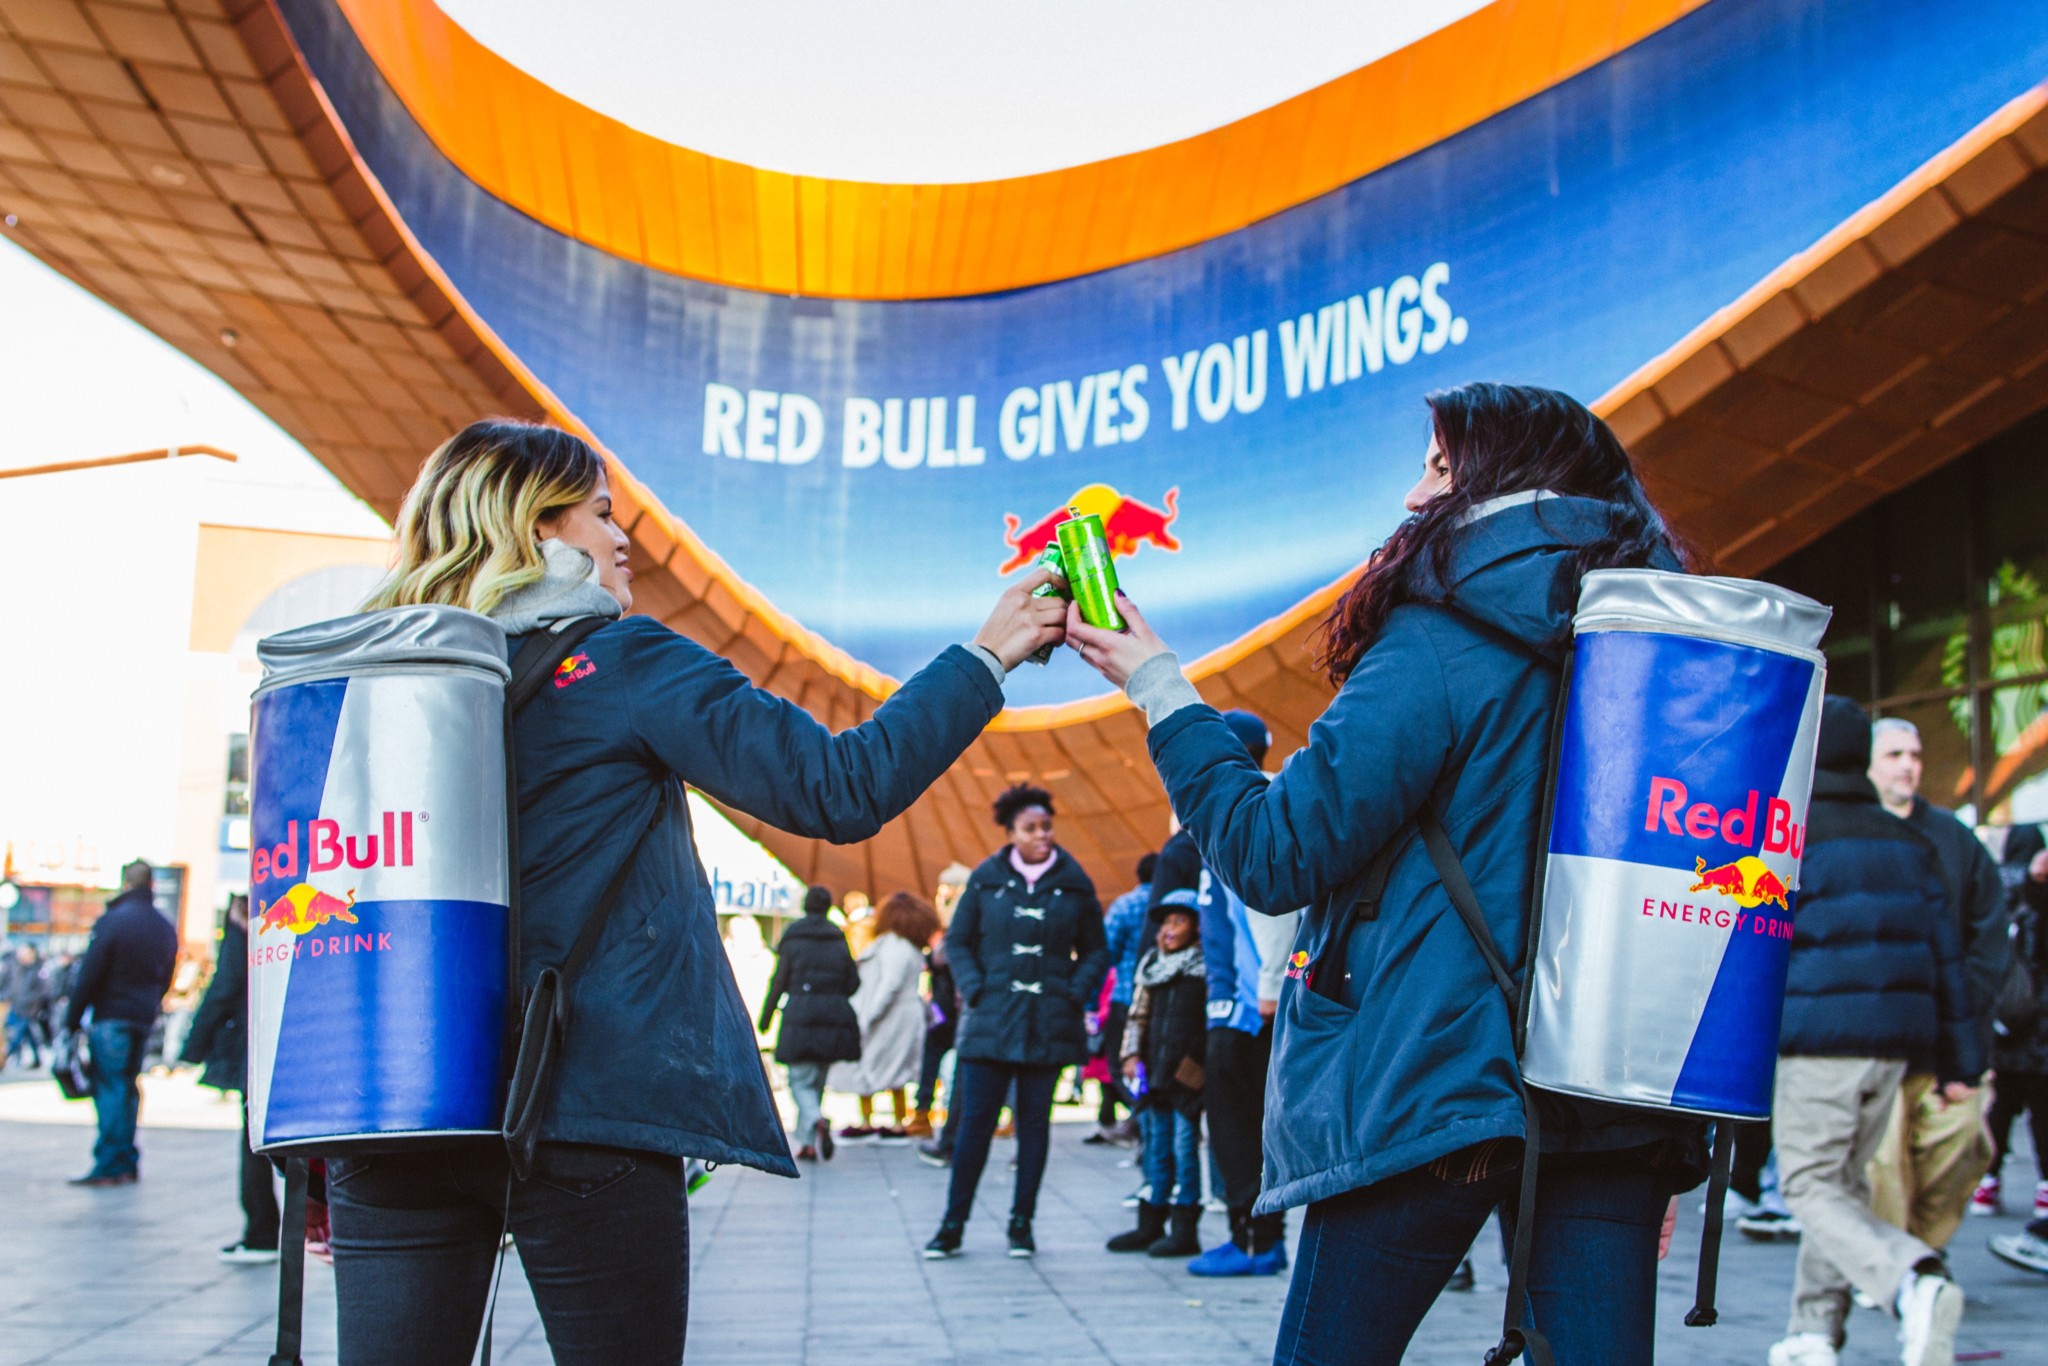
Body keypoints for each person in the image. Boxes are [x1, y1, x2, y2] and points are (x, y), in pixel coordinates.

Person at [327, 419, 1067, 1363]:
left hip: (395, 1110)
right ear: (536, 531)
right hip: (583, 1107)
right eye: (601, 514)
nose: (622, 538)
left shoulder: (367, 681)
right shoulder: (622, 661)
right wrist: (987, 655)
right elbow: (837, 789)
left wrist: (324, 1137)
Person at [1065, 383, 1705, 1364]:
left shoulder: (1439, 642)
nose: (1413, 495)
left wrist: (1156, 683)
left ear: (1495, 485)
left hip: (1437, 1077)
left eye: (1439, 467)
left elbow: (1273, 853)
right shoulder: (1667, 650)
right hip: (1615, 1094)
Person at [1764, 697, 1981, 1366]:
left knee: (1806, 1183)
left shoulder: (1792, 837)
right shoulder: (1910, 844)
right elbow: (1949, 959)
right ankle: (1812, 1333)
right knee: (1844, 1183)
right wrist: (1961, 1064)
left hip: (1817, 1041)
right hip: (1894, 1048)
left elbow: (1753, 937)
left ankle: (1910, 1277)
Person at [924, 784, 1107, 1260]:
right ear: (1010, 832)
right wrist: (976, 987)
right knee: (973, 1125)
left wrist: (1073, 990)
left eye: (1047, 827)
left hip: (1049, 1022)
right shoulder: (985, 880)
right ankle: (952, 1224)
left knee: (1034, 1126)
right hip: (990, 1021)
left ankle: (1021, 1224)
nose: (1042, 835)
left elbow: (1096, 949)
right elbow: (958, 941)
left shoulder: (1074, 881)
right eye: (1031, 829)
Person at [1867, 717, 2009, 1250]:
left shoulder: (1953, 836)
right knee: (1881, 1158)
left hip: (1950, 1035)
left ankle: (1918, 1254)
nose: (1909, 765)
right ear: (1868, 764)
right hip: (1874, 1037)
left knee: (1963, 1144)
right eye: (1895, 755)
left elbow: (1989, 934)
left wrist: (1962, 1015)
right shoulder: (1847, 829)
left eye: (1916, 755)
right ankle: (1898, 1261)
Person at [1188, 707, 1301, 1278]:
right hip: (1236, 1003)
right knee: (1242, 1129)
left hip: (1248, 1009)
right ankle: (1257, 1238)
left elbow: (1273, 905)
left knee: (1241, 1132)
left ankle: (1256, 1242)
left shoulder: (1250, 806)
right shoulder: (1239, 802)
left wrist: (1269, 987)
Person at [62, 860, 178, 1186]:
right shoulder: (162, 925)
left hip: (112, 1015)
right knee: (127, 1087)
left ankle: (111, 1162)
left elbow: (90, 973)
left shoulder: (114, 921)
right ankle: (126, 1159)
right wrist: (152, 1002)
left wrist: (73, 1018)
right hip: (142, 1015)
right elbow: (166, 974)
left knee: (110, 1087)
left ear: (125, 882)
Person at [179, 895, 281, 1263]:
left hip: (253, 1040)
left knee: (254, 1141)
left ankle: (262, 1231)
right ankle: (274, 1229)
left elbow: (227, 982)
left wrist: (193, 1045)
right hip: (287, 1035)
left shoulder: (245, 914)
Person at [1108, 888, 1207, 1256]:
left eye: (1179, 921)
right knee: (1155, 1149)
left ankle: (1185, 1228)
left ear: (1197, 929)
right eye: (1165, 922)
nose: (1168, 929)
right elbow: (1138, 1016)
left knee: (1184, 1149)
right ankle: (1150, 1222)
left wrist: (1194, 1072)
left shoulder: (1204, 969)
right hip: (1154, 1078)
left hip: (1184, 1080)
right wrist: (1131, 1055)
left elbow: (1207, 1026)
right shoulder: (1151, 966)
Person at [759, 886, 862, 1160]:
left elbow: (778, 981)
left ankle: (816, 1120)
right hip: (834, 1016)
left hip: (800, 1016)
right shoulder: (837, 937)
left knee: (798, 1081)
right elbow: (853, 982)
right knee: (817, 1080)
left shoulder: (794, 938)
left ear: (805, 906)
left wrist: (765, 1018)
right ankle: (806, 1144)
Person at [828, 892, 938, 1143]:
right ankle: (895, 1121)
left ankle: (875, 1122)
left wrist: (868, 1016)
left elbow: (889, 985)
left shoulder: (893, 945)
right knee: (893, 1070)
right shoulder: (909, 946)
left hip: (890, 1017)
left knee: (874, 1067)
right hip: (901, 1015)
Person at [1979, 824, 2048, 1219]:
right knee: (2042, 1108)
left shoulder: (1994, 886)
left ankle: (1988, 1181)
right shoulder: (2038, 892)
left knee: (2000, 1107)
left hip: (2005, 1018)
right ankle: (2044, 1189)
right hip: (2039, 1022)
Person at [1089, 851, 1156, 1146]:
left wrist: (1091, 1003)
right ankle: (1149, 1121)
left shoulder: (1126, 905)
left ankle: (1143, 1117)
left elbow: (1104, 955)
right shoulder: (1174, 904)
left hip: (1126, 997)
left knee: (1120, 1065)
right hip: (1162, 1001)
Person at [910, 917, 956, 1140]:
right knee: (935, 1062)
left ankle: (924, 1112)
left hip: (945, 1013)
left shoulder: (948, 945)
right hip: (948, 1013)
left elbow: (940, 962)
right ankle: (923, 1112)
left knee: (933, 1061)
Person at [4, 942, 50, 1069]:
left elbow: (42, 992)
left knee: (17, 1035)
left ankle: (5, 1057)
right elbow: (11, 986)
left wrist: (33, 1006)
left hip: (29, 1009)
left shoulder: (38, 970)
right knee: (27, 1034)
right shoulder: (18, 967)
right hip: (16, 1006)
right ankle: (37, 1058)